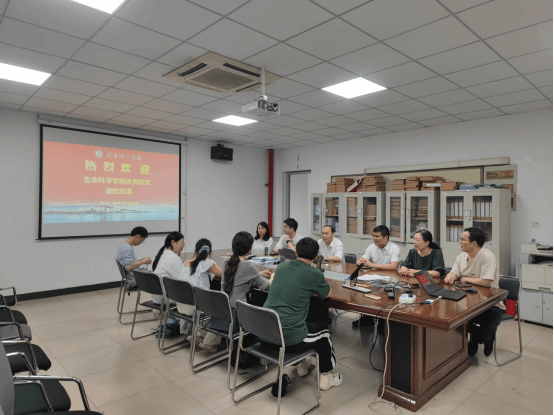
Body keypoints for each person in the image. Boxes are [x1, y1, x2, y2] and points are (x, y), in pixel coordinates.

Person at [263, 237, 343, 392]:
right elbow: (327, 294)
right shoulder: (314, 273)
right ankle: (326, 375)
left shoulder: (281, 267)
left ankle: (301, 364)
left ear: (296, 253)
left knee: (307, 320)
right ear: (316, 256)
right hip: (287, 336)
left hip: (266, 331)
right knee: (324, 333)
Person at [200, 231, 272, 355]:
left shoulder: (226, 261)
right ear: (249, 249)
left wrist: (257, 274)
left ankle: (208, 337)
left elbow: (237, 275)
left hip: (223, 308)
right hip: (238, 314)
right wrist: (273, 277)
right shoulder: (248, 266)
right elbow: (266, 287)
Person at [444, 227, 506, 357]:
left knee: (484, 335)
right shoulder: (461, 256)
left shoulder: (487, 256)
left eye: (463, 239)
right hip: (468, 302)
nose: (460, 242)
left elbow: (486, 281)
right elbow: (454, 272)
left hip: (490, 304)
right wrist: (450, 276)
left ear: (473, 243)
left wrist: (465, 279)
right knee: (452, 322)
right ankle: (474, 338)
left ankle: (481, 338)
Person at [354, 225, 402, 328]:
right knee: (365, 295)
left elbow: (394, 266)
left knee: (383, 299)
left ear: (386, 237)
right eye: (373, 236)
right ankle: (367, 319)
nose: (374, 238)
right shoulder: (371, 247)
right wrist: (360, 261)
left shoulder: (394, 248)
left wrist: (372, 265)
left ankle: (382, 323)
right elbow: (361, 260)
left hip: (389, 280)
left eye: (377, 236)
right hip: (373, 278)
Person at [179, 239, 223, 349]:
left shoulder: (185, 262)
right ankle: (210, 341)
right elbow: (223, 274)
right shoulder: (207, 263)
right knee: (222, 305)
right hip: (195, 307)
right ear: (210, 252)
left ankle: (198, 334)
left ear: (195, 251)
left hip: (181, 305)